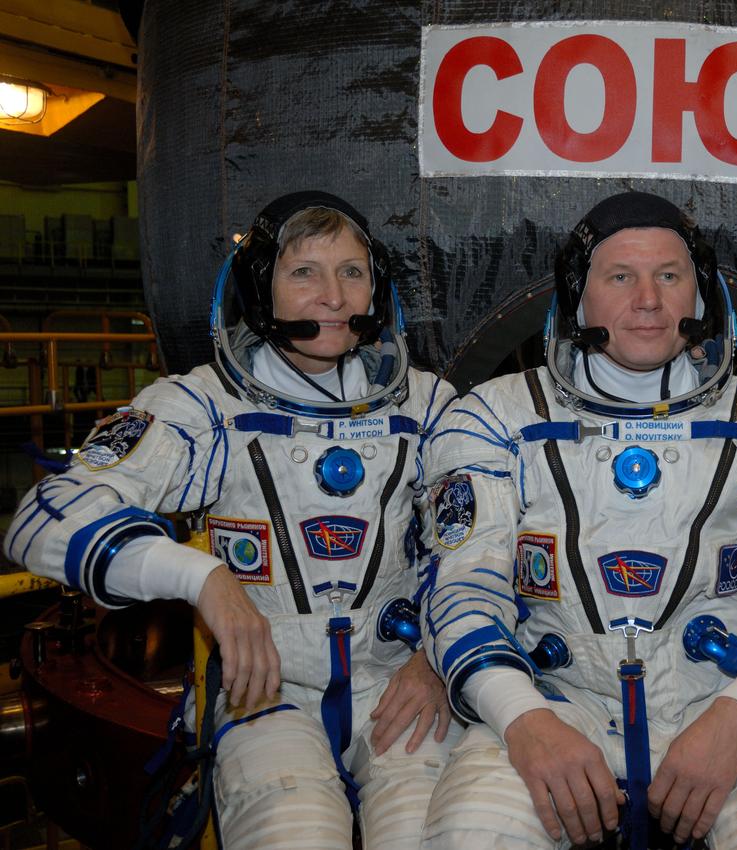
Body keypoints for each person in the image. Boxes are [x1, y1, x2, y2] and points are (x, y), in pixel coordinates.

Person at [5, 192, 461, 849]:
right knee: (294, 833)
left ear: (376, 291)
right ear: (259, 289)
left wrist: (437, 658)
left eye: (352, 272)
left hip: (404, 686)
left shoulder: (429, 405)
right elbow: (42, 521)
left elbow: (485, 547)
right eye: (304, 271)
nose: (333, 295)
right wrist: (202, 577)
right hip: (265, 693)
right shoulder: (207, 406)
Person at [420, 191, 737, 849]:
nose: (648, 299)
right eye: (620, 276)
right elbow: (463, 590)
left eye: (669, 275)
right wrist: (523, 719)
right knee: (473, 834)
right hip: (554, 704)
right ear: (577, 296)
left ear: (701, 294)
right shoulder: (494, 417)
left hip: (729, 704)